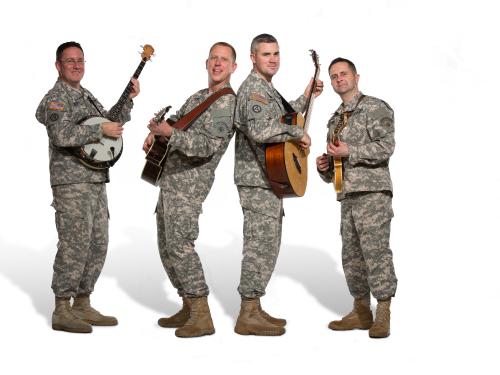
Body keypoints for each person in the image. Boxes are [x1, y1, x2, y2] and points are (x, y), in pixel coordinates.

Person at [36, 41, 140, 333]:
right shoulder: (57, 97)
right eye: (69, 61)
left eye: (80, 60)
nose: (76, 65)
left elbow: (109, 123)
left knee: (98, 243)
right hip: (71, 182)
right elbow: (61, 134)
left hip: (95, 178)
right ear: (58, 65)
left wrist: (128, 100)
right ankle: (61, 308)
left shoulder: (86, 95)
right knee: (74, 244)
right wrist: (99, 130)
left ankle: (82, 303)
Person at [143, 42, 237, 338]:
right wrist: (155, 135)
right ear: (206, 63)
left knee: (181, 244)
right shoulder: (198, 97)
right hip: (169, 179)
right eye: (213, 59)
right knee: (166, 245)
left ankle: (201, 314)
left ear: (234, 67)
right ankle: (187, 303)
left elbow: (208, 146)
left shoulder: (227, 104)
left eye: (224, 60)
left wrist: (171, 135)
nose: (218, 64)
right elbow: (175, 124)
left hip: (190, 184)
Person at [233, 33, 323, 336]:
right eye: (266, 54)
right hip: (256, 180)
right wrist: (297, 135)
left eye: (276, 54)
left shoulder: (267, 89)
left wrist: (306, 95)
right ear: (253, 57)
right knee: (259, 246)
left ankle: (255, 308)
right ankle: (247, 314)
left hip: (268, 179)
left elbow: (282, 117)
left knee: (268, 245)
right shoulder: (254, 90)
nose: (272, 59)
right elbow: (261, 130)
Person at [316, 57, 397, 338]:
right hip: (347, 194)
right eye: (334, 76)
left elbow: (386, 146)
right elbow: (336, 168)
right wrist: (325, 168)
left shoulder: (375, 107)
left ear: (356, 77)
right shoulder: (335, 120)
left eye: (344, 74)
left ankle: (383, 310)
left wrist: (350, 151)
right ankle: (361, 311)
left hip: (373, 193)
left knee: (375, 252)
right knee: (351, 257)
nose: (339, 79)